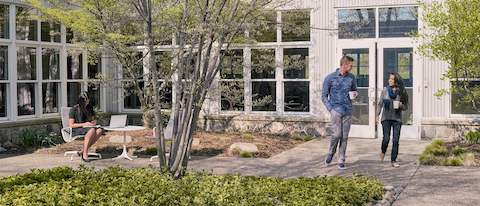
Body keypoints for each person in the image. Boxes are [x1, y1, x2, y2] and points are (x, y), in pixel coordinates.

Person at [321, 55, 358, 170]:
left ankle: (341, 159)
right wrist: (330, 109)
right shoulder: (330, 78)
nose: (352, 68)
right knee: (336, 135)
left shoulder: (351, 78)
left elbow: (354, 91)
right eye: (350, 65)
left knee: (344, 137)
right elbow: (323, 96)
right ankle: (331, 153)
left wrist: (355, 94)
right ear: (344, 64)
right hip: (335, 111)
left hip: (348, 110)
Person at [377, 72, 409, 168]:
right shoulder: (385, 90)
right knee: (386, 139)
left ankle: (393, 160)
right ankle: (383, 151)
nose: (389, 80)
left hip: (397, 119)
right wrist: (377, 115)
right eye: (389, 79)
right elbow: (380, 104)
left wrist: (400, 105)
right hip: (386, 118)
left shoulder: (402, 92)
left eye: (391, 79)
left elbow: (406, 107)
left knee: (395, 140)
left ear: (396, 81)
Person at [69, 93, 103, 162]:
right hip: (76, 129)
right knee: (92, 130)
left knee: (99, 130)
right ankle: (85, 153)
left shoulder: (89, 108)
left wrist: (93, 122)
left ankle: (82, 151)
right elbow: (71, 125)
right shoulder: (74, 109)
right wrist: (85, 124)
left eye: (88, 100)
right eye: (86, 101)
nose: (88, 102)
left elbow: (92, 120)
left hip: (87, 128)